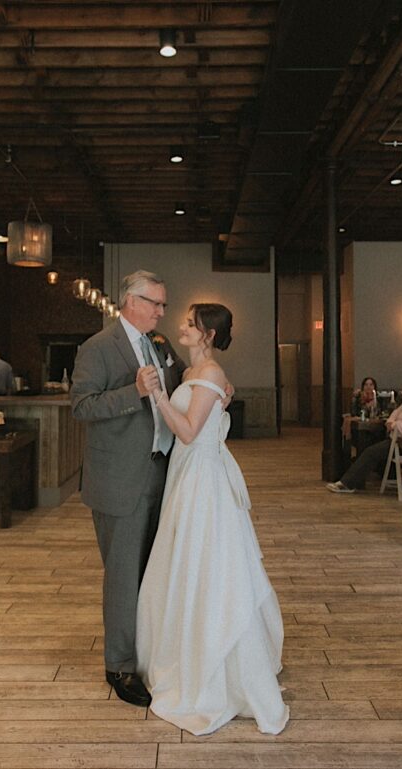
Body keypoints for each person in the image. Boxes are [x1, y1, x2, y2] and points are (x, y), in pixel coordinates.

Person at [136, 302, 289, 735]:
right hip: (188, 472)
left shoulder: (210, 374)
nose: (182, 327)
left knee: (206, 563)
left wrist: (158, 397)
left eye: (190, 324)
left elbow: (187, 430)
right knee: (185, 562)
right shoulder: (193, 372)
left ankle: (218, 664)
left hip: (202, 479)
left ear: (207, 334)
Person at [69, 270, 187, 707]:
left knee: (153, 571)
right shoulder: (97, 348)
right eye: (156, 303)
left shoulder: (161, 346)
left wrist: (213, 382)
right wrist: (132, 391)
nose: (161, 311)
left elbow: (180, 384)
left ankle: (149, 653)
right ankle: (119, 665)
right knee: (123, 577)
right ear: (131, 302)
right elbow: (81, 406)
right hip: (120, 478)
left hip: (162, 471)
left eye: (163, 304)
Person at [327, 378, 402, 493]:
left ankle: (347, 484)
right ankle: (350, 482)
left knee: (371, 452)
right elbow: (393, 416)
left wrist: (396, 424)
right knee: (370, 449)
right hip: (397, 442)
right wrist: (394, 423)